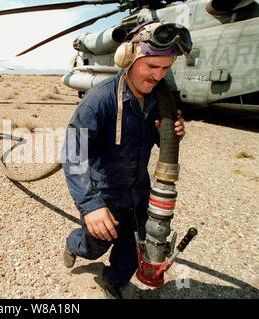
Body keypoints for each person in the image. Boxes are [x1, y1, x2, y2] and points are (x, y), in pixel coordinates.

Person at [62, 22, 191, 299]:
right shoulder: (99, 100)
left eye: (166, 68)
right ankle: (74, 243)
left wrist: (170, 134)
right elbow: (73, 154)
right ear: (128, 58)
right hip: (105, 193)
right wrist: (91, 205)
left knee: (134, 246)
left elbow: (152, 138)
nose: (159, 76)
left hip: (138, 191)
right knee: (95, 246)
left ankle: (114, 280)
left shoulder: (159, 99)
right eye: (152, 66)